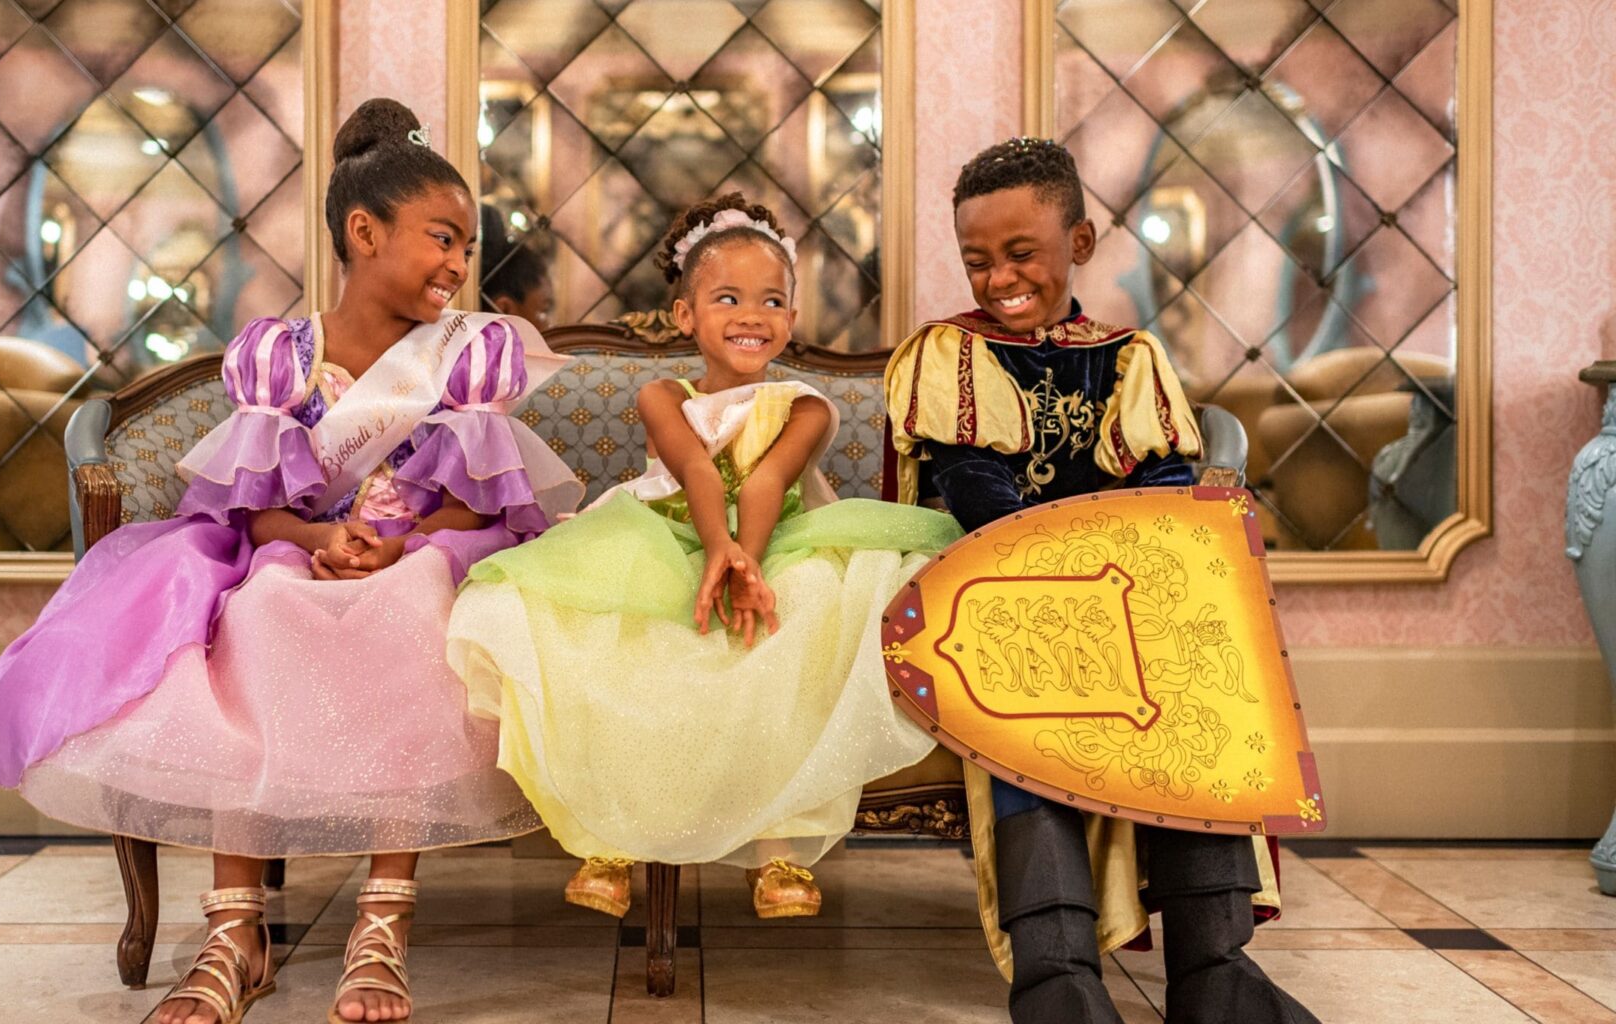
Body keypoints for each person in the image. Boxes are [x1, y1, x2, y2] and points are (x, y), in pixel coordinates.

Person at [0, 98, 581, 1024]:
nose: (461, 264)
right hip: (300, 556)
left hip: (424, 555)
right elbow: (255, 511)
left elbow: (480, 499)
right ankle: (238, 932)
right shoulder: (279, 359)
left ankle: (381, 923)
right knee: (258, 608)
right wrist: (317, 541)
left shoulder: (468, 359)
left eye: (467, 244)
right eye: (440, 237)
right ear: (363, 231)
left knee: (418, 604)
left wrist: (401, 544)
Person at [884, 136, 1317, 1024]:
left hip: (1118, 593)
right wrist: (1065, 568)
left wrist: (1142, 565)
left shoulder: (1128, 357)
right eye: (977, 261)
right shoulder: (950, 357)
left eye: (1021, 253)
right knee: (1026, 696)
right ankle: (1057, 973)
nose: (999, 277)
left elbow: (1160, 489)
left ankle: (1216, 968)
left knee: (1197, 677)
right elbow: (974, 485)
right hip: (1002, 593)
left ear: (1078, 245)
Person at [448, 192, 960, 921]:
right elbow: (694, 472)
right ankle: (612, 834)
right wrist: (716, 551)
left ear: (791, 317)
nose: (752, 315)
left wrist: (745, 563)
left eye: (772, 300)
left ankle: (779, 844)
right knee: (613, 624)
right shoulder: (664, 394)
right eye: (727, 297)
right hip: (668, 530)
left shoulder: (805, 405)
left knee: (807, 603)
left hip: (777, 536)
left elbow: (768, 482)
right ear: (686, 315)